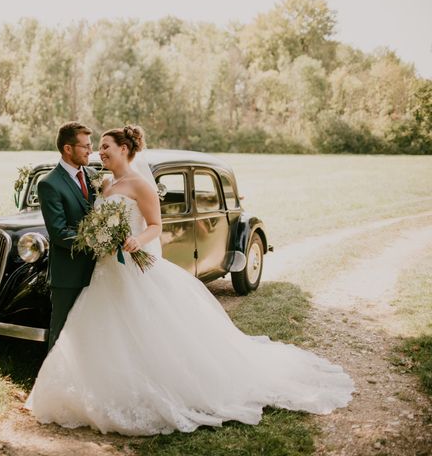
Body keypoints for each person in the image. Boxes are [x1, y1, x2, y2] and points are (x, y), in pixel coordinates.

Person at [25, 125, 354, 436]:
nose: (99, 153)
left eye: (105, 147)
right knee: (100, 329)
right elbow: (91, 220)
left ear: (124, 149)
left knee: (145, 328)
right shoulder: (106, 185)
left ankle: (157, 385)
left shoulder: (141, 183)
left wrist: (137, 241)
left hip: (133, 265)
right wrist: (102, 238)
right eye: (95, 148)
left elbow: (155, 225)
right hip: (107, 269)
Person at [37, 121, 97, 350]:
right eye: (85, 146)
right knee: (63, 332)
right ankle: (55, 383)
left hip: (98, 272)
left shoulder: (93, 175)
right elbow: (59, 232)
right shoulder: (49, 184)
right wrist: (97, 242)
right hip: (68, 274)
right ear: (68, 149)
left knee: (91, 330)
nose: (90, 151)